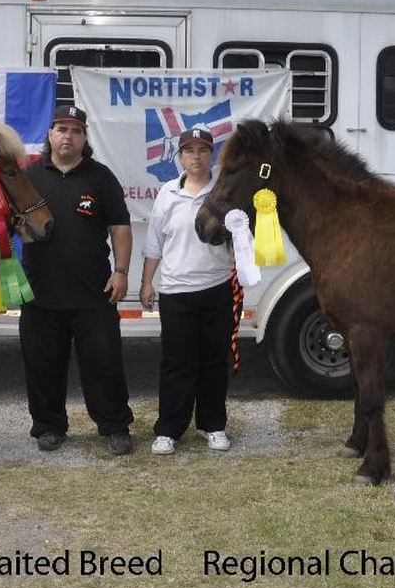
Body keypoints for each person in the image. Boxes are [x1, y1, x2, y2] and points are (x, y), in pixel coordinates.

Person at [19, 105, 135, 455]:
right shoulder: (28, 177)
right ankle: (48, 426)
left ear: (85, 138)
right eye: (62, 129)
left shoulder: (101, 177)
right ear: (50, 135)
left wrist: (121, 271)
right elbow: (14, 225)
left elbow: (120, 226)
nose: (68, 136)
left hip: (93, 293)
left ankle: (114, 425)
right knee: (42, 366)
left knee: (104, 363)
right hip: (40, 294)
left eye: (76, 131)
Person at [139, 127, 237, 455]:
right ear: (179, 156)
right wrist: (146, 282)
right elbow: (155, 242)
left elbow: (241, 241)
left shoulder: (223, 193)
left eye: (203, 150)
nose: (196, 157)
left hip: (216, 288)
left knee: (213, 360)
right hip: (176, 291)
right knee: (177, 362)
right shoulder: (168, 193)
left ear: (212, 155)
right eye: (189, 151)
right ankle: (169, 429)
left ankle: (213, 425)